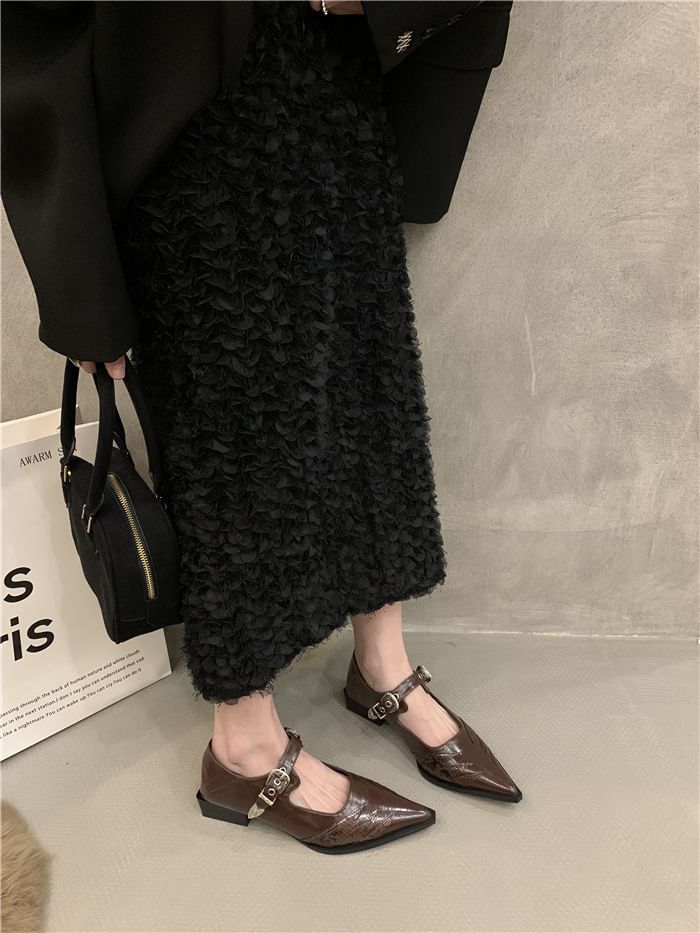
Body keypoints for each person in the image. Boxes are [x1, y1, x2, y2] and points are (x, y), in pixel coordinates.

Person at [2, 0, 520, 854]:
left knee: (371, 387)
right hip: (184, 113)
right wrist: (77, 283)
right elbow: (31, 29)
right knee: (233, 435)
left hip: (339, 80)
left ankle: (381, 665)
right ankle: (243, 747)